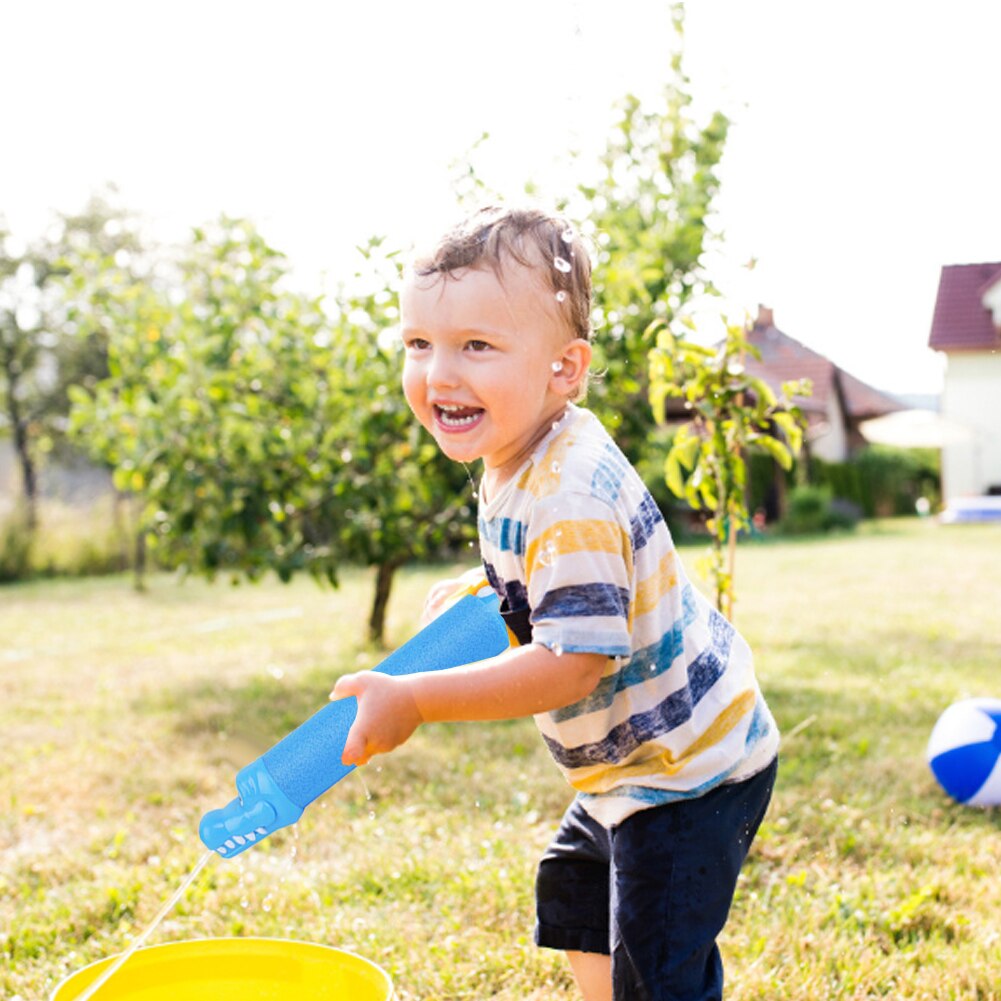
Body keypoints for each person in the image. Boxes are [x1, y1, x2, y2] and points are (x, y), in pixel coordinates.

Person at [332, 206, 779, 1001]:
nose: (439, 373)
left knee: (657, 962)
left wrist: (415, 699)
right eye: (419, 344)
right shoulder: (519, 450)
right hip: (631, 765)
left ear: (564, 369)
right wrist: (485, 592)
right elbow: (551, 582)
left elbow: (573, 662)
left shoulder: (568, 488)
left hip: (688, 770)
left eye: (476, 345)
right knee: (576, 889)